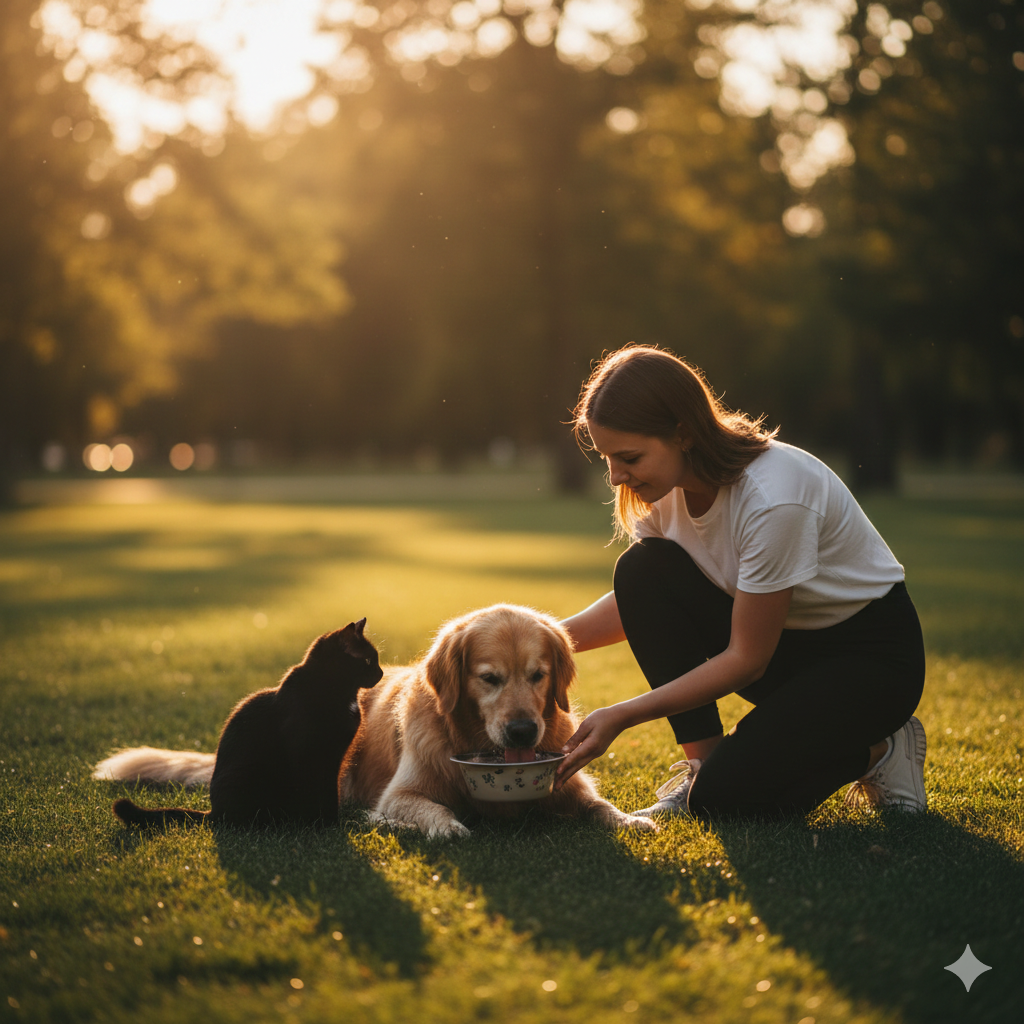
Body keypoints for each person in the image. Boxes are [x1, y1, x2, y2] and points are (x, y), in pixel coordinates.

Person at [553, 345, 927, 820]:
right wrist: (540, 644)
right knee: (641, 569)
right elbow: (642, 599)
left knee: (724, 802)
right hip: (787, 653)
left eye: (628, 457)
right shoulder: (663, 490)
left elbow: (747, 659)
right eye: (607, 458)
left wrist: (623, 713)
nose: (615, 476)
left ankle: (881, 749)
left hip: (868, 665)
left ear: (683, 433)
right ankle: (701, 767)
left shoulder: (773, 497)